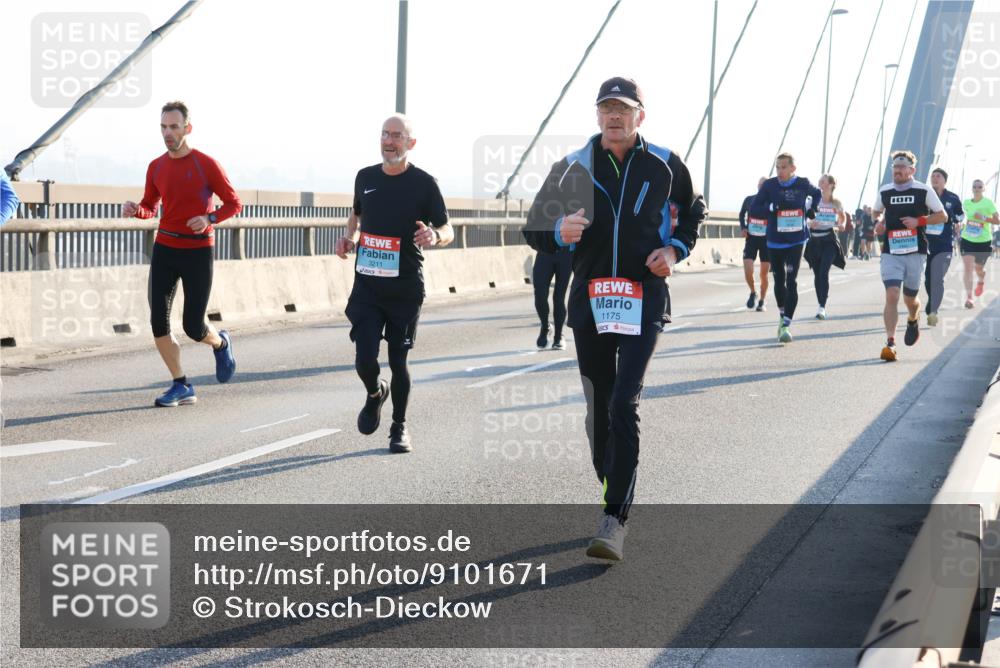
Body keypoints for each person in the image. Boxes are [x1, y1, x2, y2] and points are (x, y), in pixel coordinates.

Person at [523, 77, 705, 561]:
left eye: (624, 108)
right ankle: (615, 482)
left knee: (625, 402)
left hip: (643, 297)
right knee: (599, 409)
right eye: (606, 108)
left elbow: (694, 211)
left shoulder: (664, 163)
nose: (614, 116)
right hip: (590, 301)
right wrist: (557, 232)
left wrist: (675, 248)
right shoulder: (572, 167)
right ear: (597, 115)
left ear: (640, 115)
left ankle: (615, 516)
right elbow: (533, 226)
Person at [335, 114, 453, 454]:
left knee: (399, 360)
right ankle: (375, 393)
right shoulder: (365, 177)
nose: (390, 141)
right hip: (368, 286)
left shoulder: (424, 183)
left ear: (410, 143)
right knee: (364, 358)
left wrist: (434, 235)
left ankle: (399, 427)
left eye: (397, 136)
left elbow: (448, 228)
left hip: (404, 288)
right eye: (385, 134)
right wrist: (348, 238)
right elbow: (356, 214)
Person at [123, 101, 241, 406]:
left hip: (198, 252)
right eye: (163, 127)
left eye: (174, 127)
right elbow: (151, 206)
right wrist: (138, 211)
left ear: (187, 128)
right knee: (158, 322)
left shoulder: (206, 164)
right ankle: (181, 384)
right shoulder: (157, 166)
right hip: (165, 247)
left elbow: (233, 203)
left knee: (193, 326)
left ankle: (220, 342)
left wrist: (210, 219)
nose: (168, 133)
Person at [871, 150, 946, 361]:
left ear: (911, 170)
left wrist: (919, 221)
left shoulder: (923, 190)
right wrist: (879, 222)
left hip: (916, 252)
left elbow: (942, 216)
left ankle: (913, 318)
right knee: (892, 293)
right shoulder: (885, 191)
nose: (897, 171)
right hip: (891, 251)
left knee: (910, 299)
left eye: (902, 167)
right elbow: (876, 212)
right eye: (895, 167)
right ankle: (890, 342)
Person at [752, 152, 821, 343]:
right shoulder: (769, 185)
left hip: (797, 240)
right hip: (775, 240)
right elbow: (755, 208)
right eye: (777, 167)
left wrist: (811, 208)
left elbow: (817, 194)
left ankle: (786, 323)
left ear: (793, 168)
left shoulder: (802, 183)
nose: (780, 171)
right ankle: (782, 314)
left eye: (784, 167)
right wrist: (771, 208)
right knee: (779, 280)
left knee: (792, 280)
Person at [924, 168, 964, 326]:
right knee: (928, 279)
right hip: (926, 243)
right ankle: (932, 301)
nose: (934, 178)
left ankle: (933, 310)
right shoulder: (924, 195)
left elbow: (960, 214)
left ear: (944, 180)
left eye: (938, 176)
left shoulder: (952, 198)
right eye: (932, 176)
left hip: (944, 244)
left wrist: (957, 220)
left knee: (937, 278)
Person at [804, 174, 846, 319]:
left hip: (829, 240)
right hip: (814, 241)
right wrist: (809, 223)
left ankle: (822, 307)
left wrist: (842, 224)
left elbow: (843, 217)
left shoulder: (836, 203)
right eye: (819, 180)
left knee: (823, 272)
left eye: (823, 181)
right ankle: (820, 303)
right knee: (817, 275)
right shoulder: (811, 201)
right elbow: (803, 217)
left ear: (831, 185)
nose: (819, 183)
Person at [959, 179, 999, 308]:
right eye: (974, 186)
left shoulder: (988, 203)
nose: (977, 188)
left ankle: (981, 281)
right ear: (972, 188)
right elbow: (962, 217)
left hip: (983, 241)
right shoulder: (966, 203)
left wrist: (982, 218)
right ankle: (970, 298)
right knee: (968, 268)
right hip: (967, 239)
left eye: (979, 186)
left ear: (983, 189)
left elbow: (997, 221)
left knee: (978, 268)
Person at [738, 177, 770, 311]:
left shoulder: (771, 202)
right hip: (751, 238)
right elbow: (741, 214)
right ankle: (753, 292)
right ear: (758, 185)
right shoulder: (750, 199)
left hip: (766, 241)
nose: (762, 187)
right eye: (761, 184)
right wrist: (743, 227)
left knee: (764, 274)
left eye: (765, 185)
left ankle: (762, 301)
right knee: (748, 269)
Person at [532, 247, 572, 349]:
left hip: (566, 254)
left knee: (559, 297)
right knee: (539, 294)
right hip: (544, 251)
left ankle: (558, 336)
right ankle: (545, 326)